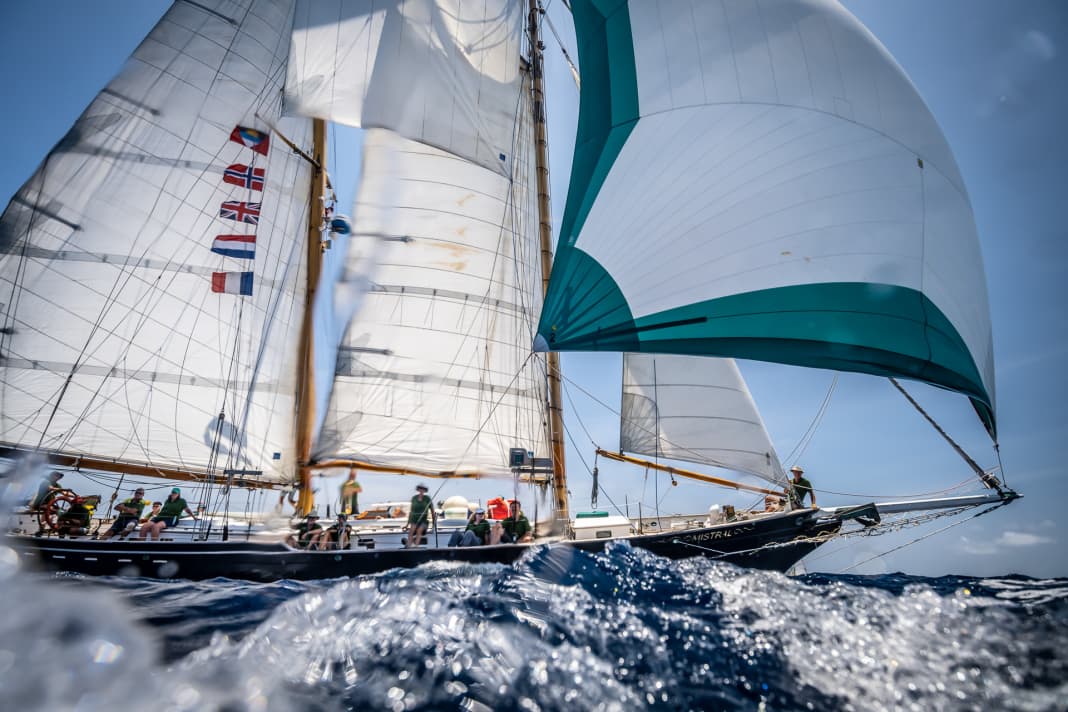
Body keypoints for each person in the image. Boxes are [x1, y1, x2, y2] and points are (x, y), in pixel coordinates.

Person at [404, 483, 436, 548]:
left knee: (419, 530)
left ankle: (416, 546)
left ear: (424, 490)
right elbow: (411, 511)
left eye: (423, 489)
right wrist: (407, 524)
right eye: (420, 488)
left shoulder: (427, 498)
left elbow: (432, 511)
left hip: (423, 520)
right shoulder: (414, 498)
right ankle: (409, 547)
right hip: (414, 519)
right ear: (418, 489)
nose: (421, 490)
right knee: (411, 532)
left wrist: (434, 522)